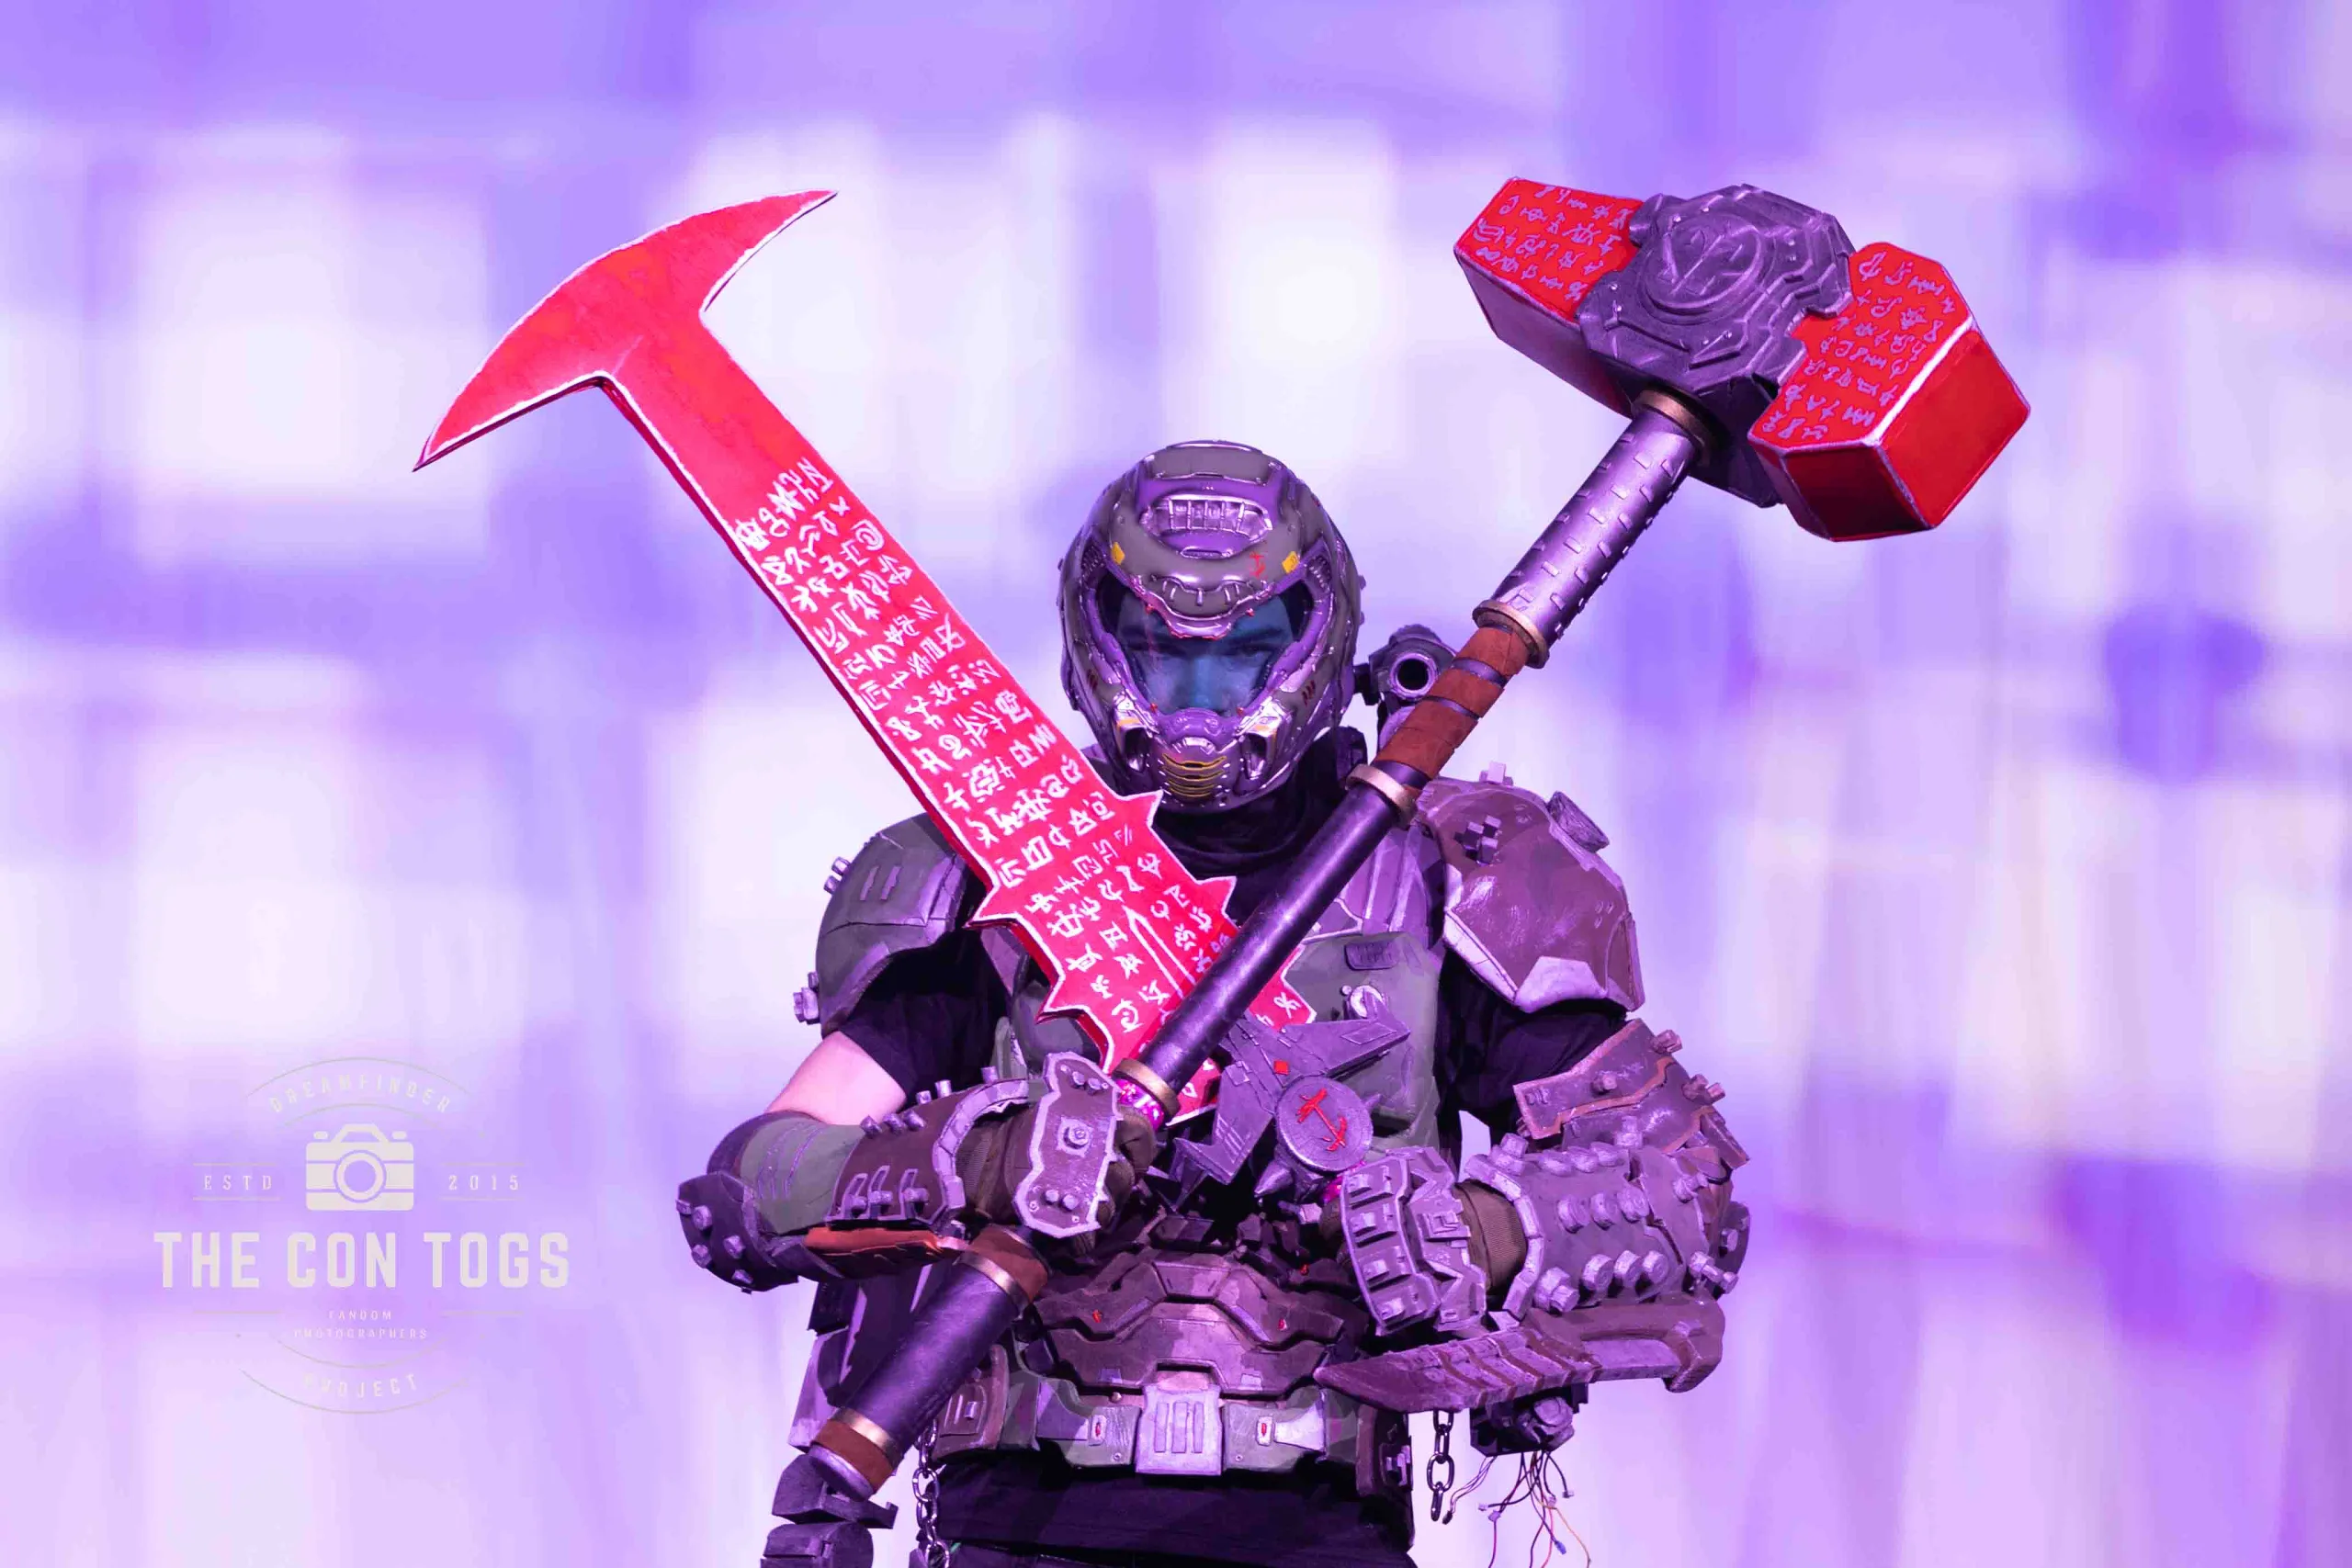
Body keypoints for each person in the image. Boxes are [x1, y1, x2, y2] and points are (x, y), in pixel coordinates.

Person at [681, 441, 1748, 1568]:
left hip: (1322, 1524)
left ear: (1313, 643)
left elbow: (1684, 1189)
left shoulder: (1442, 871)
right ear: (1096, 643)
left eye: (1240, 653)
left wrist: (1474, 1232)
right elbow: (746, 1189)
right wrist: (978, 1159)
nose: (1198, 701)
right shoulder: (991, 872)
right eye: (1160, 651)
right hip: (1013, 1517)